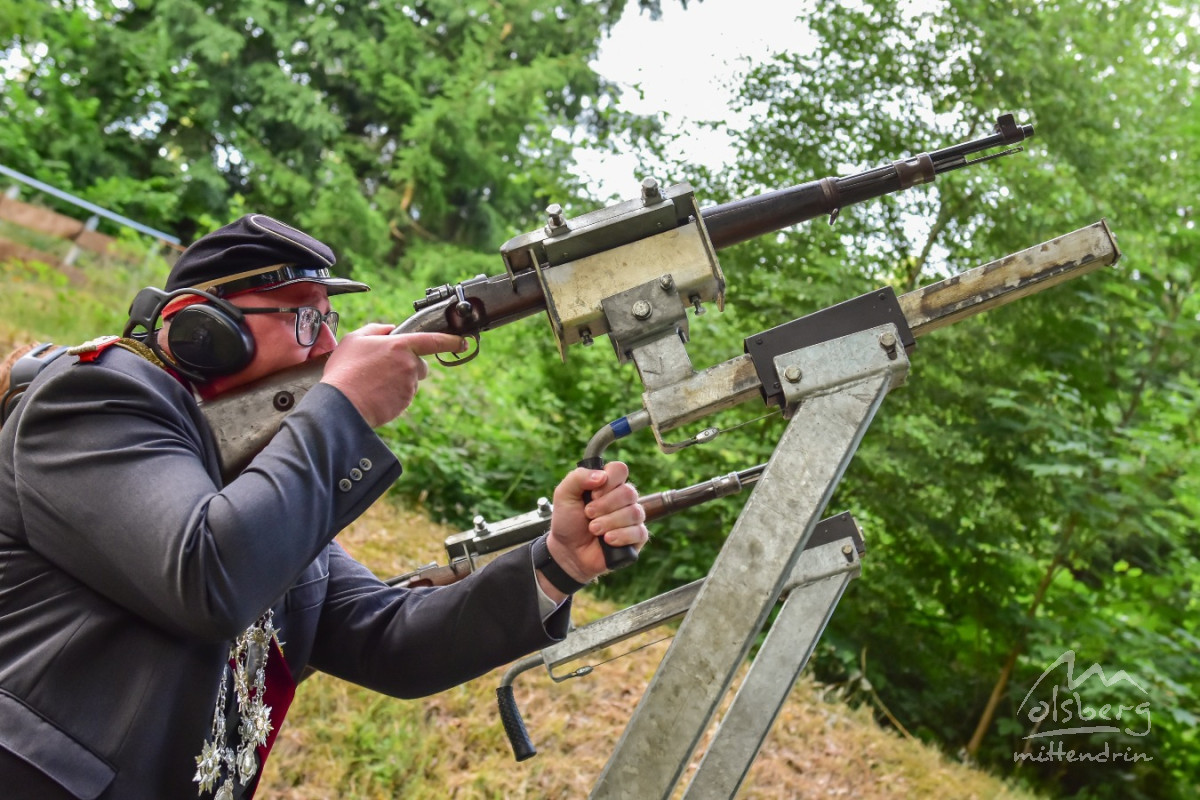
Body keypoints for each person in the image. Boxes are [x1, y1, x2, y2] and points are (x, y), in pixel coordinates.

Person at [0, 214, 648, 800]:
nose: (326, 350)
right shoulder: (96, 397)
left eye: (328, 322)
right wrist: (344, 408)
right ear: (201, 329)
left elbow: (390, 640)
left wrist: (557, 564)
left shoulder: (261, 482)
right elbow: (207, 575)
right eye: (302, 317)